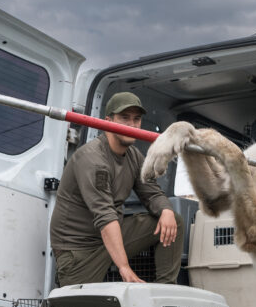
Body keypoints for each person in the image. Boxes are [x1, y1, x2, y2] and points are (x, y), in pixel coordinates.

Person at [50, 92, 183, 285]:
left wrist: (166, 210)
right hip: (80, 249)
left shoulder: (134, 156)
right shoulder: (92, 158)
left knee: (173, 222)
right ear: (107, 121)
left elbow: (152, 192)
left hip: (111, 236)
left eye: (136, 119)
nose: (132, 125)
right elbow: (105, 215)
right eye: (124, 118)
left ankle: (167, 294)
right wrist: (124, 267)